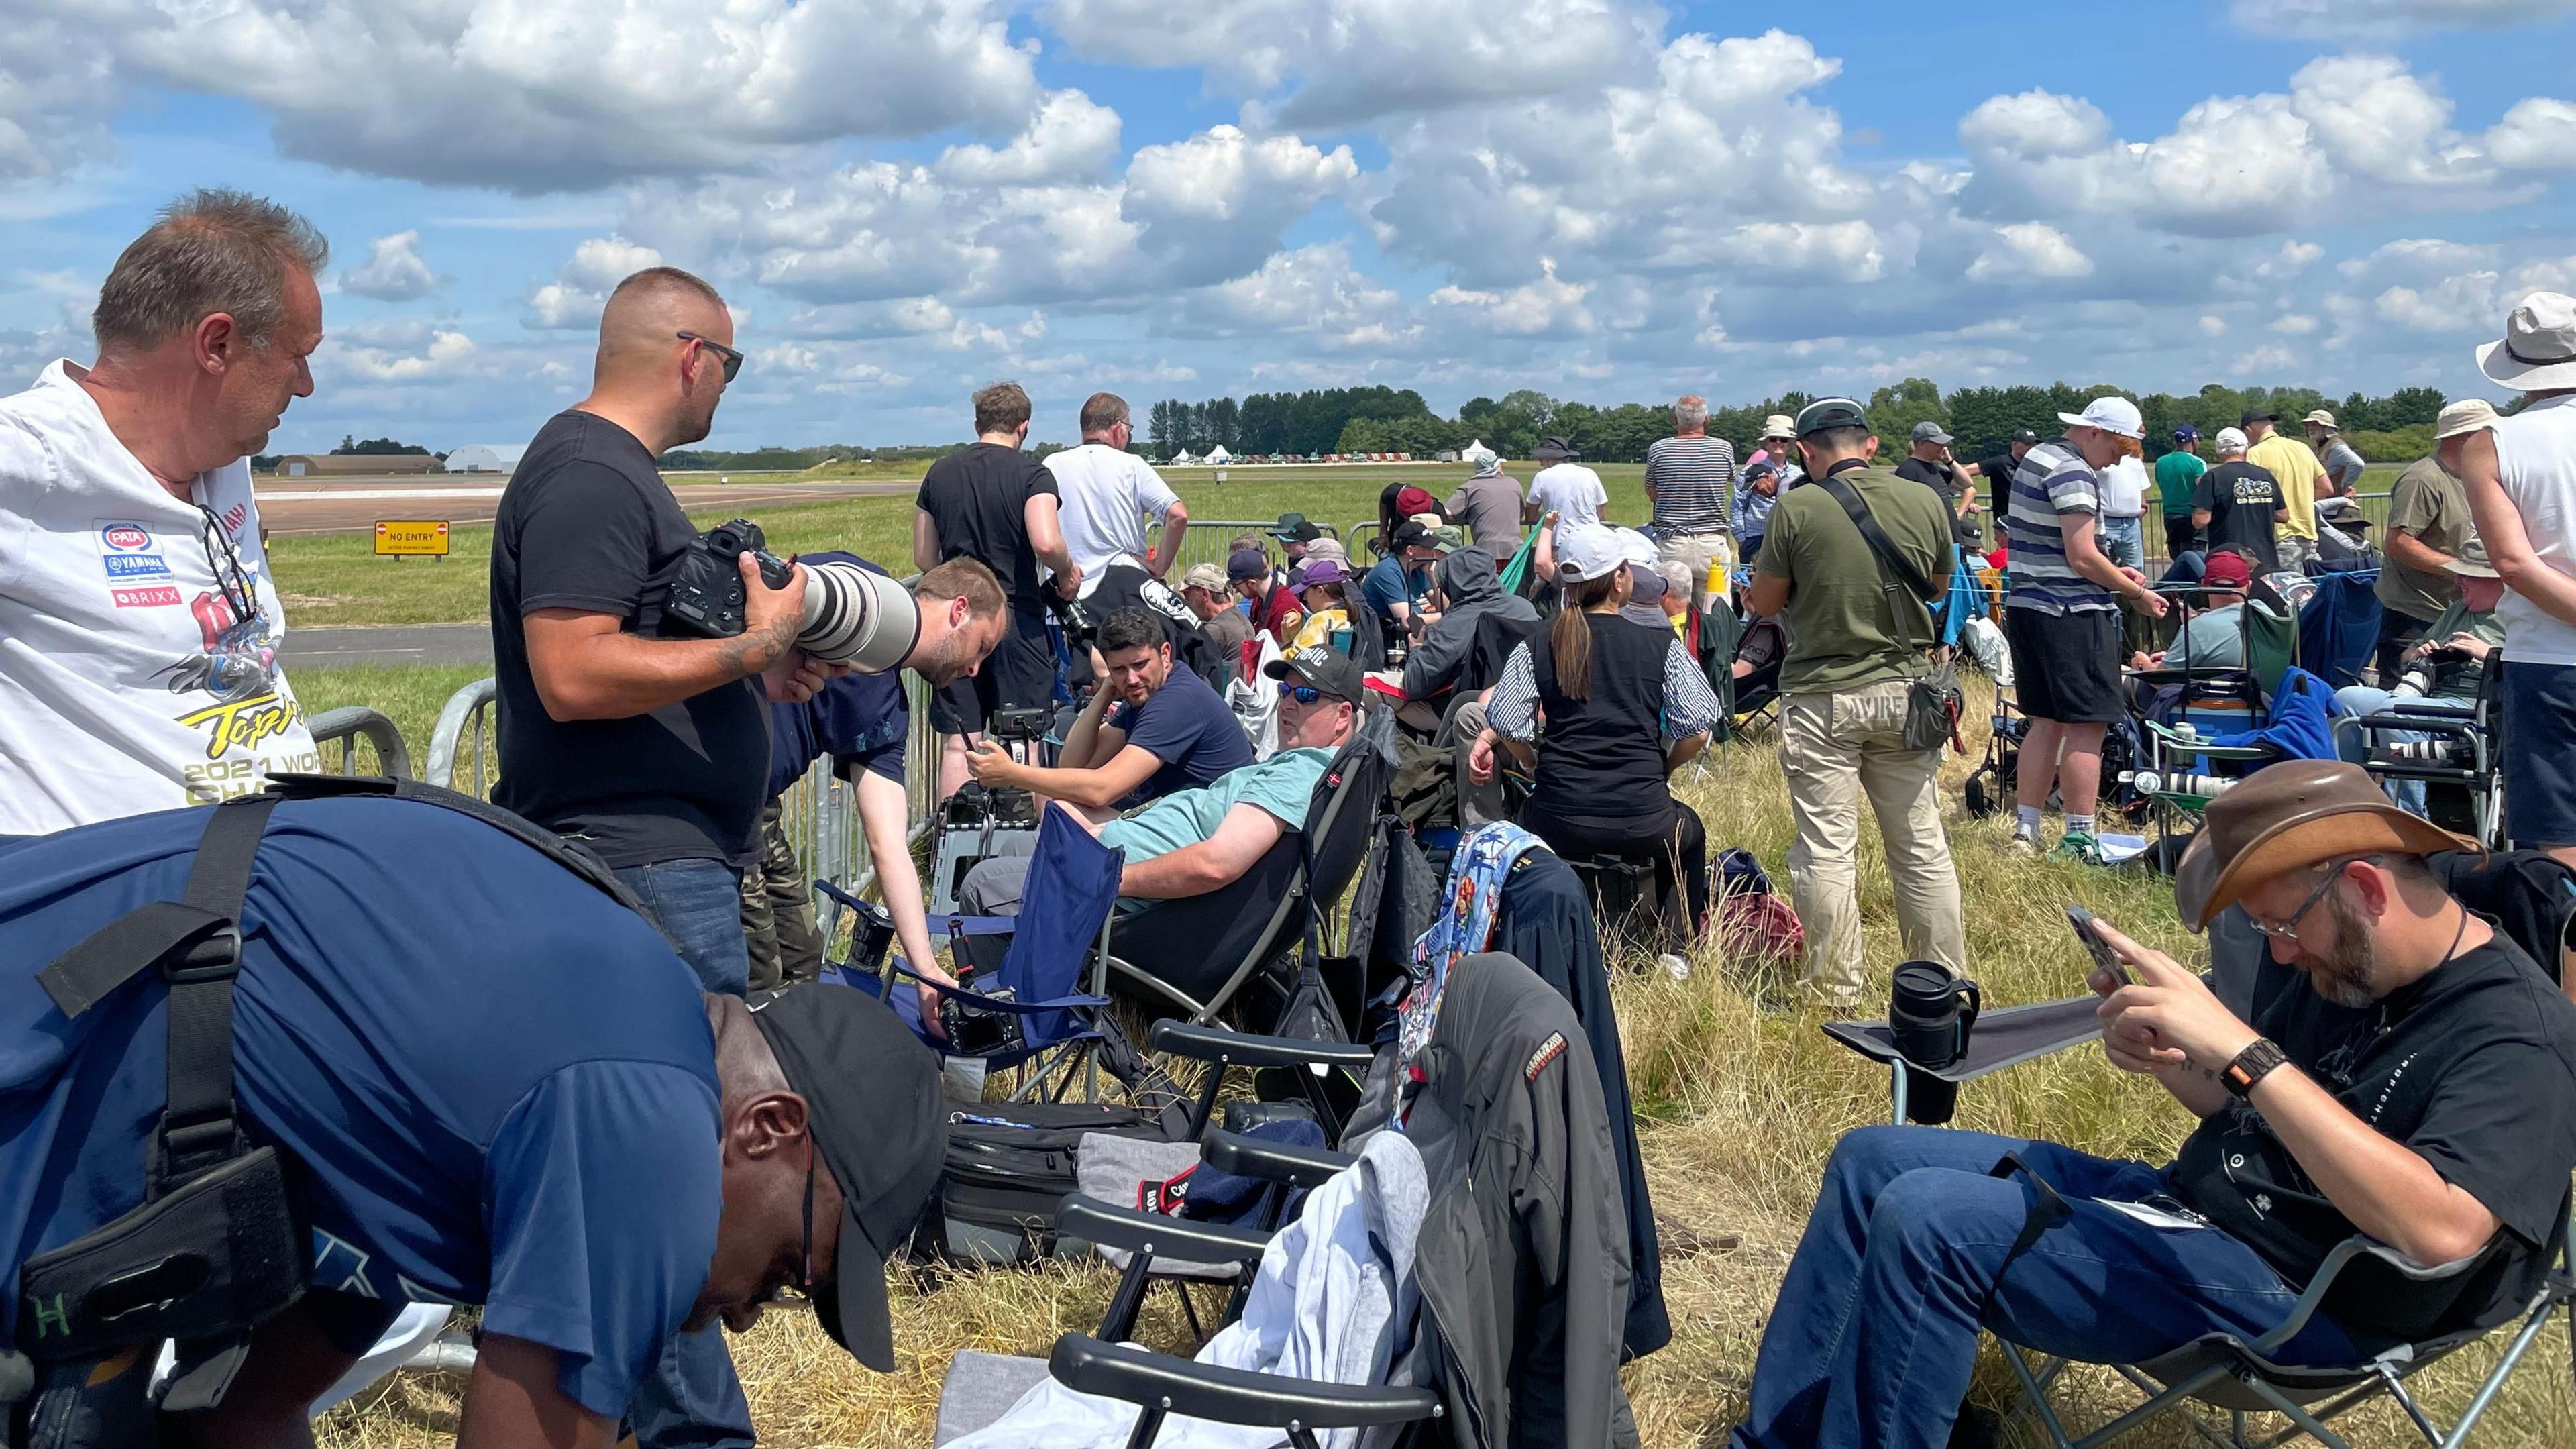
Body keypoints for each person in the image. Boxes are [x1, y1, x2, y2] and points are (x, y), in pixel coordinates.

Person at [0, 794, 950, 1448]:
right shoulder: (645, 1109)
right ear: (769, 1128)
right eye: (788, 1269)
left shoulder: (470, 1123)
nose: (744, 1317)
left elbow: (245, 1416)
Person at [1726, 759, 2576, 1449]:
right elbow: (2264, 1112)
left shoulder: (2519, 1036)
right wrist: (2181, 1064)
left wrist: (2247, 1053)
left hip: (2302, 1298)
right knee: (1874, 1160)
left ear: (2366, 887)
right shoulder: (2346, 964)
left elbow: (2442, 1230)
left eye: (2282, 927)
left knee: (1928, 1218)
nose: (2279, 955)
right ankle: (1785, 1438)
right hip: (2195, 1216)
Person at [0, 190, 328, 834]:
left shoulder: (221, 461)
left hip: (269, 857)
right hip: (131, 895)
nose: (306, 385)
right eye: (298, 355)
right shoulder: (32, 458)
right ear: (217, 345)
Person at [1742, 398, 1968, 1010]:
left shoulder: (1796, 507)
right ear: (1869, 445)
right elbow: (1941, 588)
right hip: (1907, 690)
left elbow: (1763, 605)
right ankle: (1940, 984)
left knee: (1826, 849)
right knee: (1920, 842)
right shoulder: (1926, 500)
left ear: (1808, 453)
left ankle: (1837, 987)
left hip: (1824, 693)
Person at [744, 551, 1005, 1008]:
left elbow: (889, 847)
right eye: (981, 647)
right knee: (755, 976)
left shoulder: (887, 711)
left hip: (754, 810)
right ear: (958, 610)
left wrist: (926, 971)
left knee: (802, 958)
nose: (975, 669)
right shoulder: (858, 589)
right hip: (701, 796)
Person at [1470, 525, 1723, 973]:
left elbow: (1506, 719)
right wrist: (1663, 767)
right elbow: (1699, 726)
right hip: (1644, 816)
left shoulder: (1538, 642)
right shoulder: (1659, 643)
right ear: (1621, 578)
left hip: (1558, 817)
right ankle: (1675, 949)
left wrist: (1533, 762)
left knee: (1521, 823)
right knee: (1689, 832)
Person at [955, 648, 1364, 918]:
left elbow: (1216, 864)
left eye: (1307, 694)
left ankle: (1008, 1017)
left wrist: (1110, 878)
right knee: (1014, 845)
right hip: (1121, 853)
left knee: (982, 885)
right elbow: (1075, 763)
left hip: (1135, 897)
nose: (1289, 702)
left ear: (1343, 716)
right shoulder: (1304, 766)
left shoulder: (1301, 772)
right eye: (1285, 690)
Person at [2002, 396, 2171, 862]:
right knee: (2088, 725)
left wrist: (2116, 573)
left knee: (2046, 722)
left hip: (2029, 606)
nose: (2119, 459)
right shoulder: (2074, 472)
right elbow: (2081, 556)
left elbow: (2065, 550)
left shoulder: (2038, 457)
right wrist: (2136, 592)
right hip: (2072, 613)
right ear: (2095, 433)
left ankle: (2027, 830)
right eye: (2119, 447)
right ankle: (2080, 837)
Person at [2453, 291, 2576, 871]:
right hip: (2545, 662)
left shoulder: (2493, 443)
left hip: (2548, 663)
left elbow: (2514, 563)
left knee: (2559, 851)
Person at [915, 381, 1081, 800]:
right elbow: (1045, 541)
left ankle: (953, 839)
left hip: (957, 618)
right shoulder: (1032, 474)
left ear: (977, 425)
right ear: (1023, 428)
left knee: (961, 739)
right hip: (1015, 619)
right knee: (1024, 736)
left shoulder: (941, 472)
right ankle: (1024, 835)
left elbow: (922, 555)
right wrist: (1065, 571)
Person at [967, 605, 1252, 820]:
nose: (1131, 679)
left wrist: (1012, 773)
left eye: (1140, 665)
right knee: (1054, 797)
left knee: (1064, 810)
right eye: (1119, 669)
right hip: (1176, 817)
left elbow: (1101, 789)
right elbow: (1072, 765)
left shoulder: (1177, 701)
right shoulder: (1142, 694)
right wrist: (1104, 694)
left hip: (1210, 828)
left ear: (1165, 654)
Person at [2334, 537, 2506, 814]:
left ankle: (2408, 819)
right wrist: (2419, 652)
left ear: (2499, 580)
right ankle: (2353, 805)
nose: (2459, 580)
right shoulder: (2457, 610)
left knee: (2394, 712)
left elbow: (2529, 674)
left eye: (2469, 576)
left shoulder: (2520, 617)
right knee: (2347, 698)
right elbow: (2406, 658)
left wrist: (2488, 654)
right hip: (2428, 697)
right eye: (2459, 573)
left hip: (2476, 710)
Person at [2374, 403, 2486, 684]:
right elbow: (2398, 543)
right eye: (2488, 433)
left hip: (2452, 611)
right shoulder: (2423, 479)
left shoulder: (2475, 476)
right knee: (2400, 701)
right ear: (2466, 437)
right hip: (2415, 614)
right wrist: (2461, 570)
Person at [1044, 391, 1188, 586]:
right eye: (1129, 429)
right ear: (1119, 428)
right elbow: (1177, 515)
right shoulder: (1133, 465)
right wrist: (1159, 566)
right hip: (1123, 587)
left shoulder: (1052, 464)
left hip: (1067, 589)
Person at [1401, 545, 1538, 702]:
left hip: (1462, 708)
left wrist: (1417, 650)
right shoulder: (1525, 608)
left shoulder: (1451, 626)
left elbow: (1414, 686)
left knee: (1371, 690)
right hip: (1524, 704)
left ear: (1450, 584)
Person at [1644, 394, 1737, 610]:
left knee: (1673, 614)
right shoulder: (1724, 449)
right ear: (1707, 420)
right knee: (1716, 615)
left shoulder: (1659, 449)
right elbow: (1730, 478)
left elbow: (1652, 492)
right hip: (1712, 544)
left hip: (1674, 543)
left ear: (1675, 420)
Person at [2129, 547, 2254, 673]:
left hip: (2204, 690)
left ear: (2204, 584)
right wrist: (2172, 658)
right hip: (2257, 690)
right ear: (2249, 586)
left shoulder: (2195, 629)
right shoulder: (2267, 616)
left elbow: (2159, 679)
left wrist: (2142, 663)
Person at [2244, 407, 2332, 572]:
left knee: (2289, 593)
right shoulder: (2302, 448)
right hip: (2308, 534)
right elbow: (2326, 487)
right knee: (2312, 589)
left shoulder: (2255, 454)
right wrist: (2302, 502)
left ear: (2248, 431)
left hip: (2279, 536)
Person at [2192, 426, 2286, 574]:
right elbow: (2283, 515)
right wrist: (2256, 505)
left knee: (2233, 596)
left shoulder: (2213, 477)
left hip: (2229, 559)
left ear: (2219, 451)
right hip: (2266, 559)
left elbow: (2201, 520)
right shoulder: (2265, 475)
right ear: (2246, 448)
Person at [1891, 421, 1982, 553]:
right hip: (1932, 544)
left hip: (1951, 541)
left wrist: (1950, 461)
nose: (1943, 447)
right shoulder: (1908, 470)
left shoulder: (1935, 467)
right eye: (1938, 443)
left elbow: (1967, 483)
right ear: (1921, 444)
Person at [1360, 518, 1450, 637]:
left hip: (1408, 633)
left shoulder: (1421, 568)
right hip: (1383, 636)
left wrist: (1432, 575)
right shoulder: (1388, 572)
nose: (1432, 552)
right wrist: (1448, 615)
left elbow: (1443, 606)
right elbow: (1407, 622)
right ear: (1410, 551)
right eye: (1427, 548)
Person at [1446, 451, 1529, 554]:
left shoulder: (1470, 487)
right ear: (1497, 467)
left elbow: (1447, 512)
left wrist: (1463, 517)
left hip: (1484, 551)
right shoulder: (1515, 484)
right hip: (1515, 551)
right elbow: (1521, 512)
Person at [1181, 560, 1255, 664]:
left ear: (1204, 594)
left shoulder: (1215, 630)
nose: (1186, 599)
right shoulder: (1239, 618)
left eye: (1187, 593)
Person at [1527, 434, 1609, 529]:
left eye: (1541, 458)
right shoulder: (1590, 474)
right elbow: (1601, 512)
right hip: (1589, 538)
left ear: (1549, 458)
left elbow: (1530, 514)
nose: (1541, 463)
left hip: (1559, 540)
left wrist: (1545, 517)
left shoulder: (1541, 477)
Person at [1230, 545, 1302, 646]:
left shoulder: (1285, 607)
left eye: (1236, 585)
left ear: (1251, 583)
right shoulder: (1259, 599)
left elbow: (1277, 651)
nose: (1236, 591)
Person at [1964, 427, 2039, 521]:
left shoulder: (2034, 465)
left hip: (2030, 521)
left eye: (2034, 444)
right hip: (2005, 522)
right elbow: (1965, 472)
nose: (2031, 448)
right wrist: (1969, 500)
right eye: (2028, 444)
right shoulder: (2000, 462)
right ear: (2014, 444)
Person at [2157, 426, 2210, 559]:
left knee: (2177, 558)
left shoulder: (2161, 462)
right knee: (2195, 558)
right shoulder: (2197, 463)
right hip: (2191, 516)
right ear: (2193, 441)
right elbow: (2202, 488)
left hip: (2170, 516)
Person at [1286, 558, 1354, 653]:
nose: (1305, 598)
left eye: (1306, 592)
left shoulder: (1320, 620)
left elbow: (1298, 654)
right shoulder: (1345, 614)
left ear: (1320, 591)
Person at [2305, 408, 2369, 498]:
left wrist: (2344, 486)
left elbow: (2357, 463)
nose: (2310, 428)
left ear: (2327, 427)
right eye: (2308, 425)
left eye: (2315, 424)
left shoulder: (2336, 446)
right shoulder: (2322, 446)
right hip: (2325, 498)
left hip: (2334, 500)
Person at [1733, 460, 1781, 564]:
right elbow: (1737, 506)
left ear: (1768, 478)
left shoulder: (1785, 492)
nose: (1755, 492)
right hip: (1753, 538)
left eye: (1756, 487)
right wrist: (1742, 540)